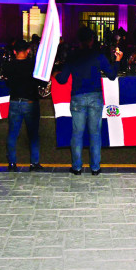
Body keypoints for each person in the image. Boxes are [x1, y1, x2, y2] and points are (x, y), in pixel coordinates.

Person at [55, 27, 122, 175]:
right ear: (91, 40)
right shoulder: (98, 55)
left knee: (77, 133)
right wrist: (117, 60)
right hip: (95, 97)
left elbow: (63, 79)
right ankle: (95, 167)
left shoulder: (73, 56)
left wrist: (55, 74)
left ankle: (77, 167)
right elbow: (111, 75)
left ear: (79, 40)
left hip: (77, 97)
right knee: (95, 133)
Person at [2, 39, 42, 172]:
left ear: (14, 52)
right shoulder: (32, 65)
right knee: (33, 134)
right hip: (30, 101)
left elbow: (6, 83)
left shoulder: (8, 65)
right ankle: (34, 163)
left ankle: (12, 163)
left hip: (14, 101)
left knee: (13, 133)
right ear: (28, 51)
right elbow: (39, 82)